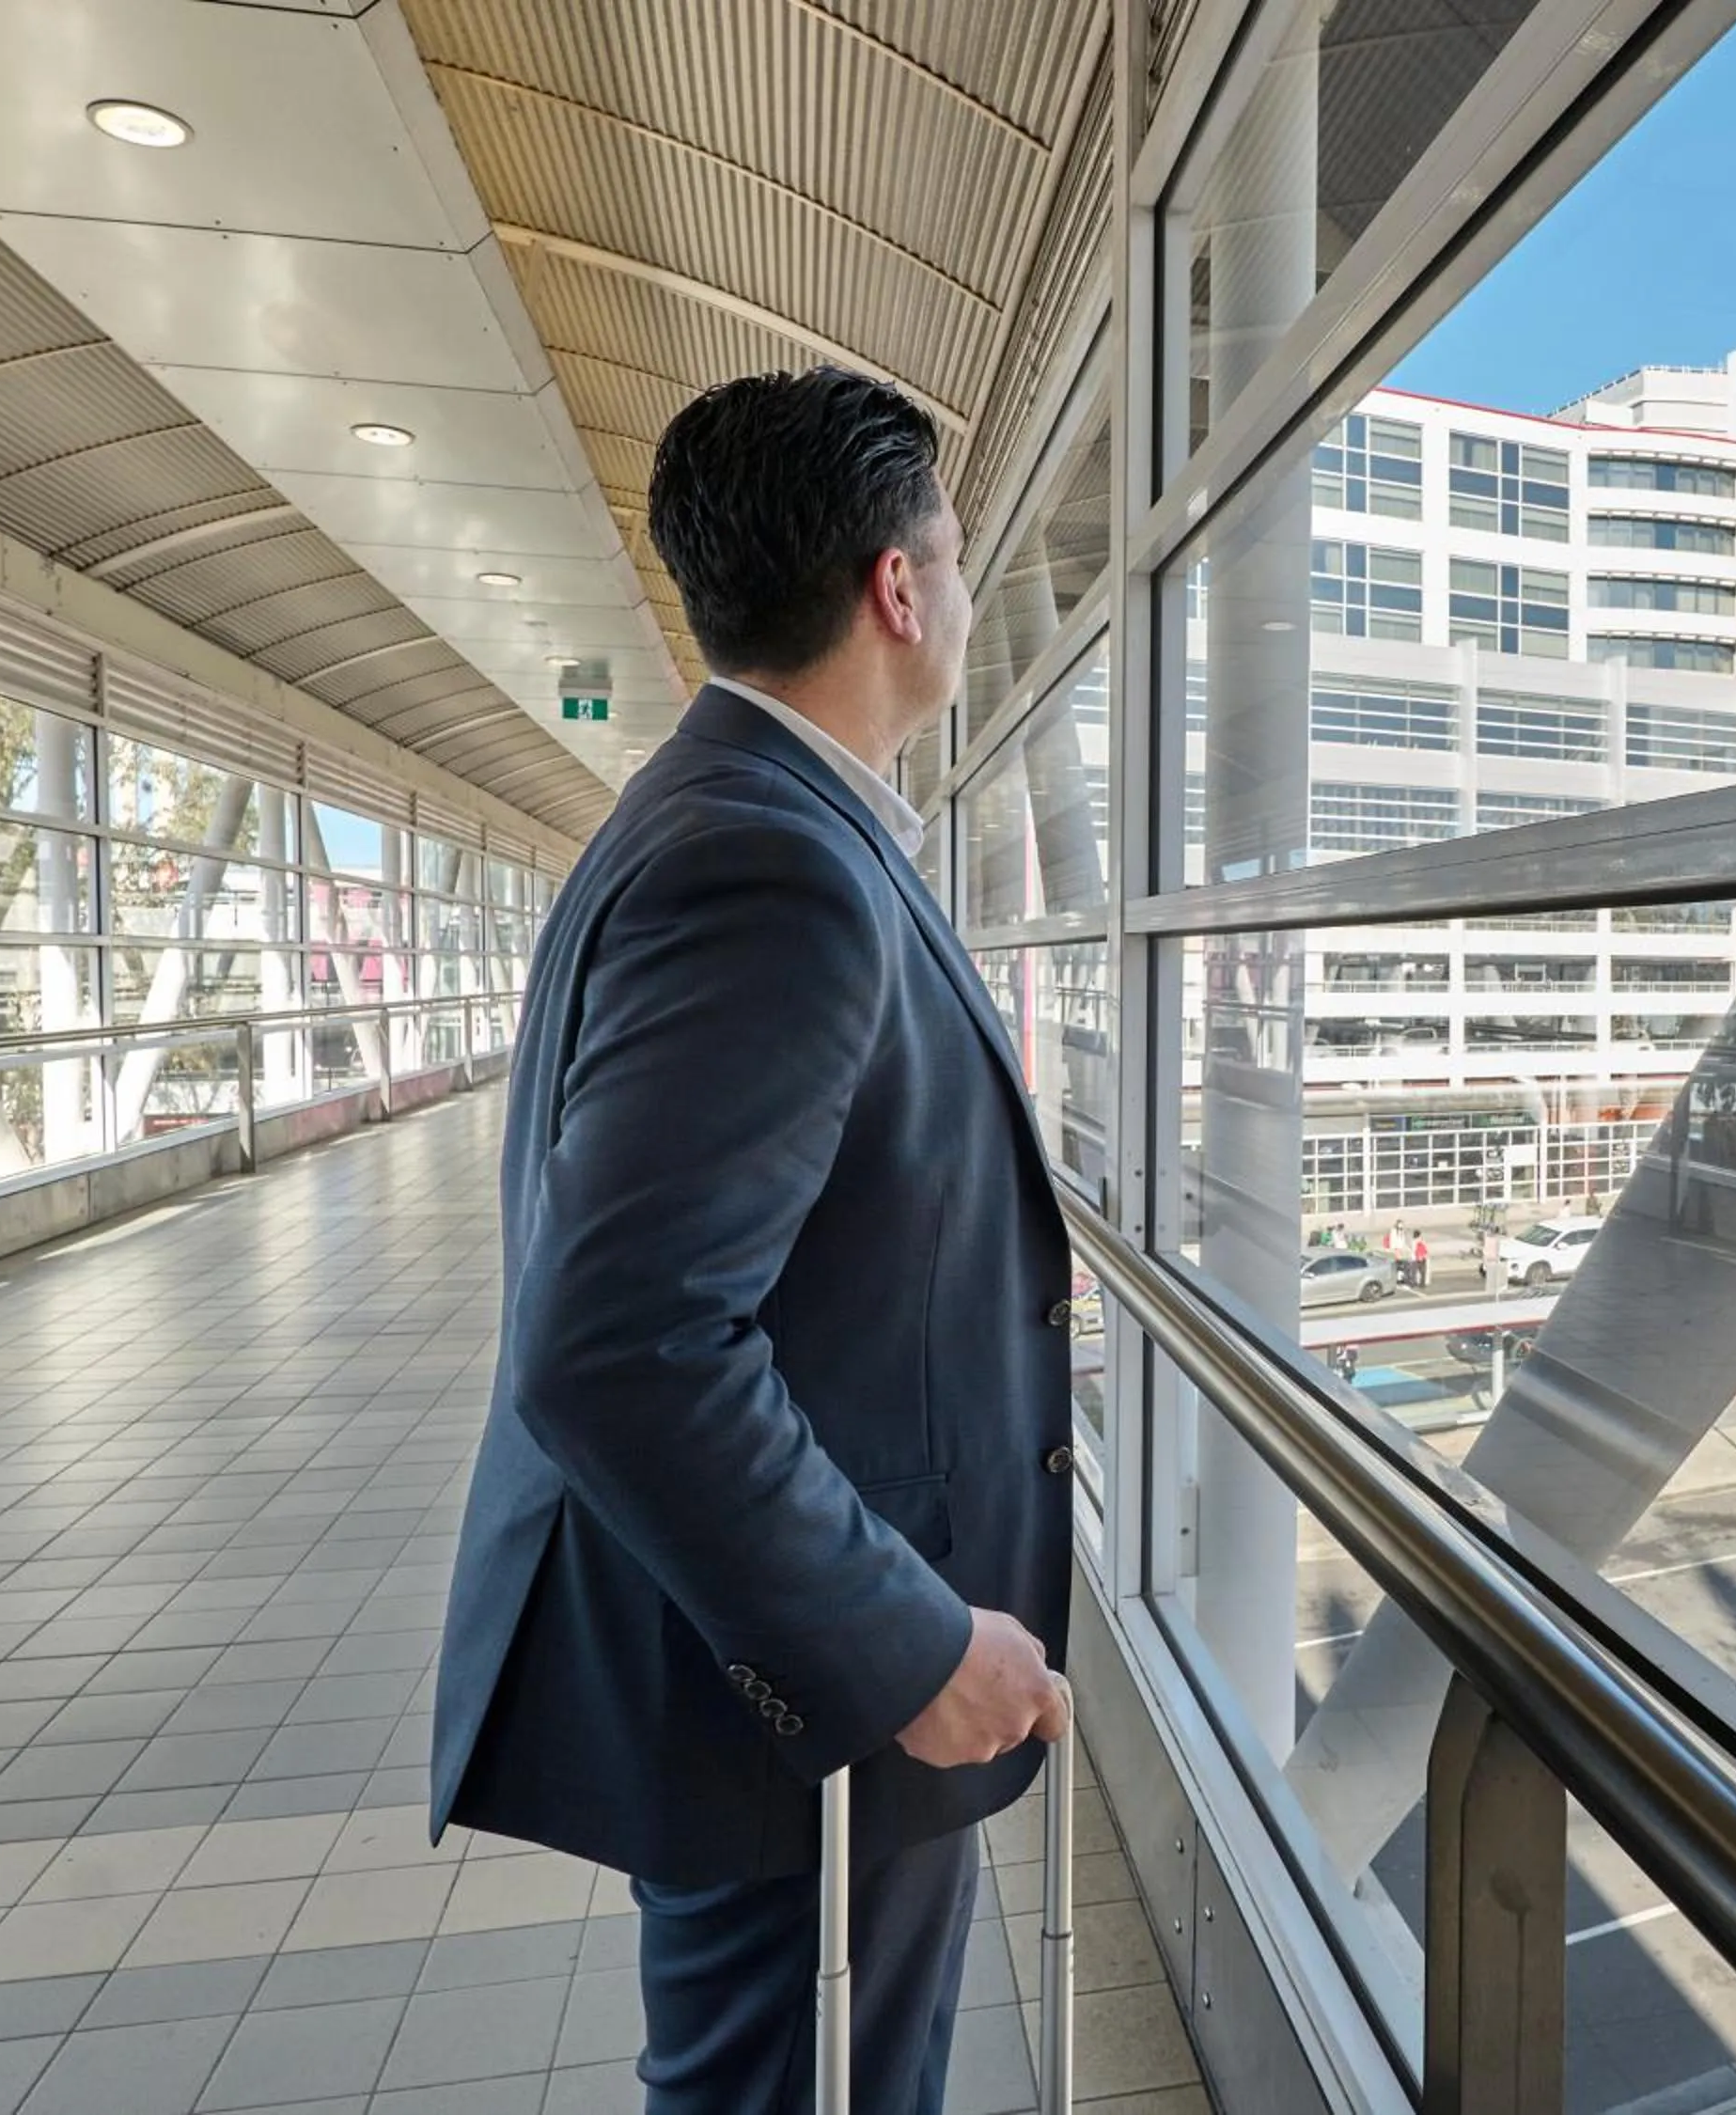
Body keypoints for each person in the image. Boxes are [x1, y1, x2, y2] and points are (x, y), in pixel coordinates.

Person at [432, 369, 1071, 2115]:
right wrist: (908, 1648)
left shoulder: (728, 814)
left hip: (753, 1657)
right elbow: (625, 1338)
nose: (952, 580)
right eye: (948, 548)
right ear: (896, 586)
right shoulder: (769, 866)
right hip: (794, 1695)